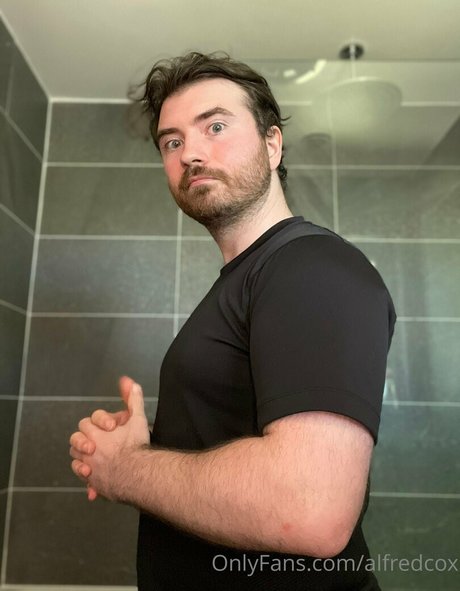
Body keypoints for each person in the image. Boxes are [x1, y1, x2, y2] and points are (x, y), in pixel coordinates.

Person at [69, 52, 397, 590]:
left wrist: (124, 467)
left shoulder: (310, 266)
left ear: (272, 145)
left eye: (215, 126)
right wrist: (148, 444)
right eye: (171, 142)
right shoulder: (250, 279)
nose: (190, 153)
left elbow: (309, 508)